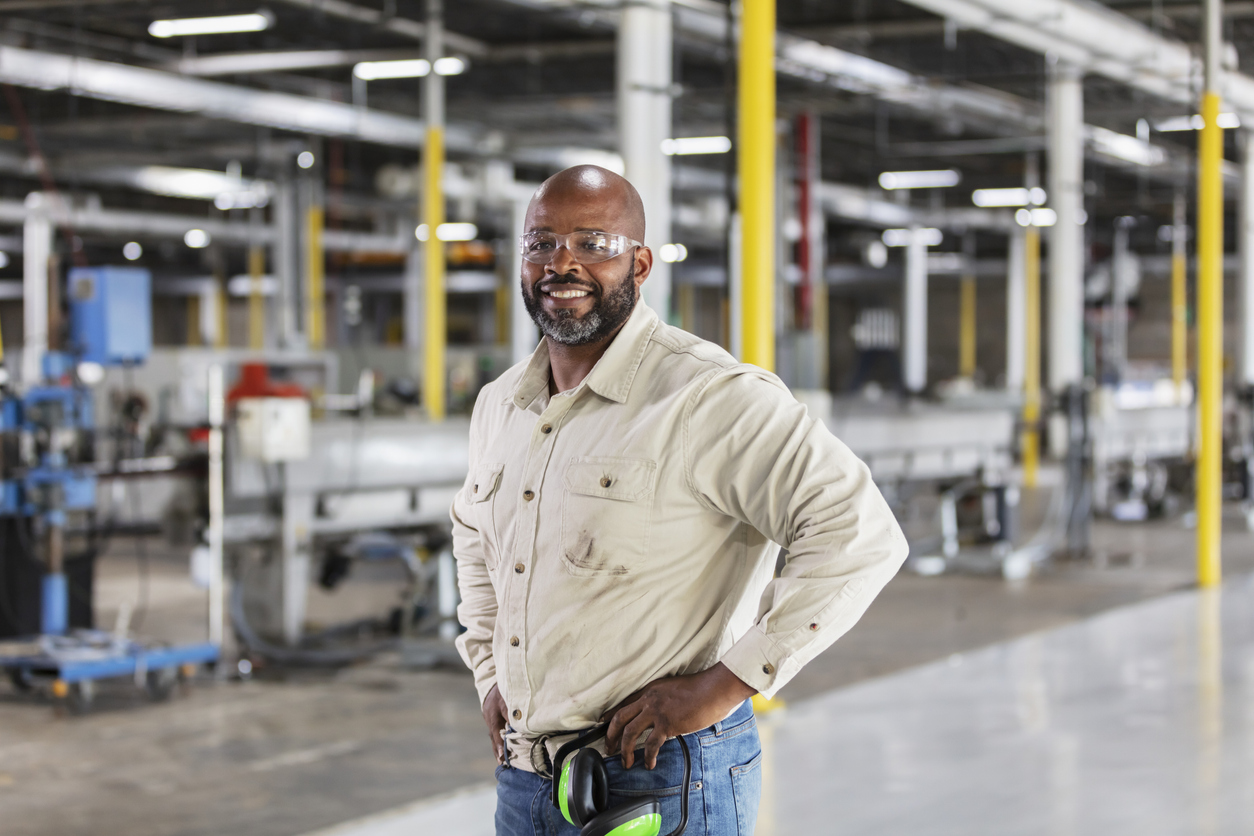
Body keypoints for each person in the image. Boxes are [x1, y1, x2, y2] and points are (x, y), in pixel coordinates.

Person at [452, 165, 907, 836]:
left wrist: (724, 685)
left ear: (639, 264)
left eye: (593, 243)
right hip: (527, 776)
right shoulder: (502, 404)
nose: (562, 263)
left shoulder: (707, 397)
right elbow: (475, 536)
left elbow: (858, 532)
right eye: (541, 243)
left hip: (661, 776)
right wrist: (489, 672)